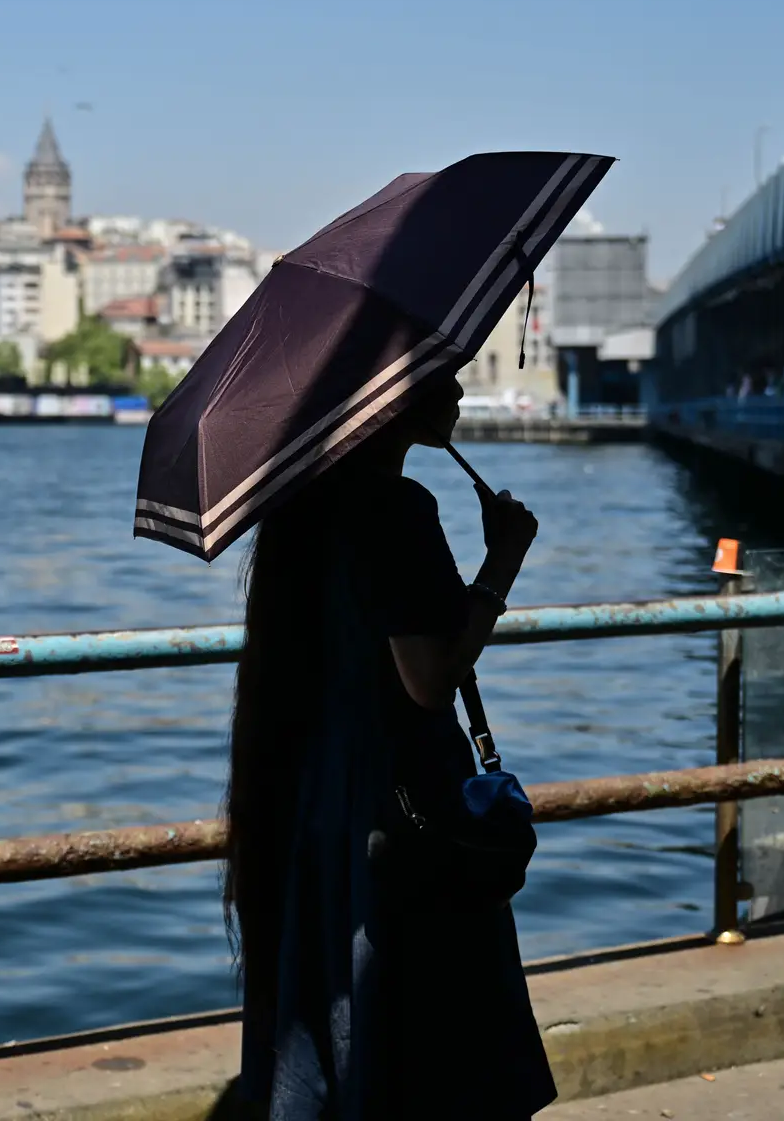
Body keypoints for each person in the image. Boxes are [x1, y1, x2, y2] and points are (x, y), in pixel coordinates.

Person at [221, 372, 551, 1120]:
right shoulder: (394, 507)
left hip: (329, 800)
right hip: (406, 806)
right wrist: (503, 561)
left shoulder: (308, 508)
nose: (461, 390)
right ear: (392, 401)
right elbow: (429, 679)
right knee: (428, 1037)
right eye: (441, 378)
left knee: (342, 1027)